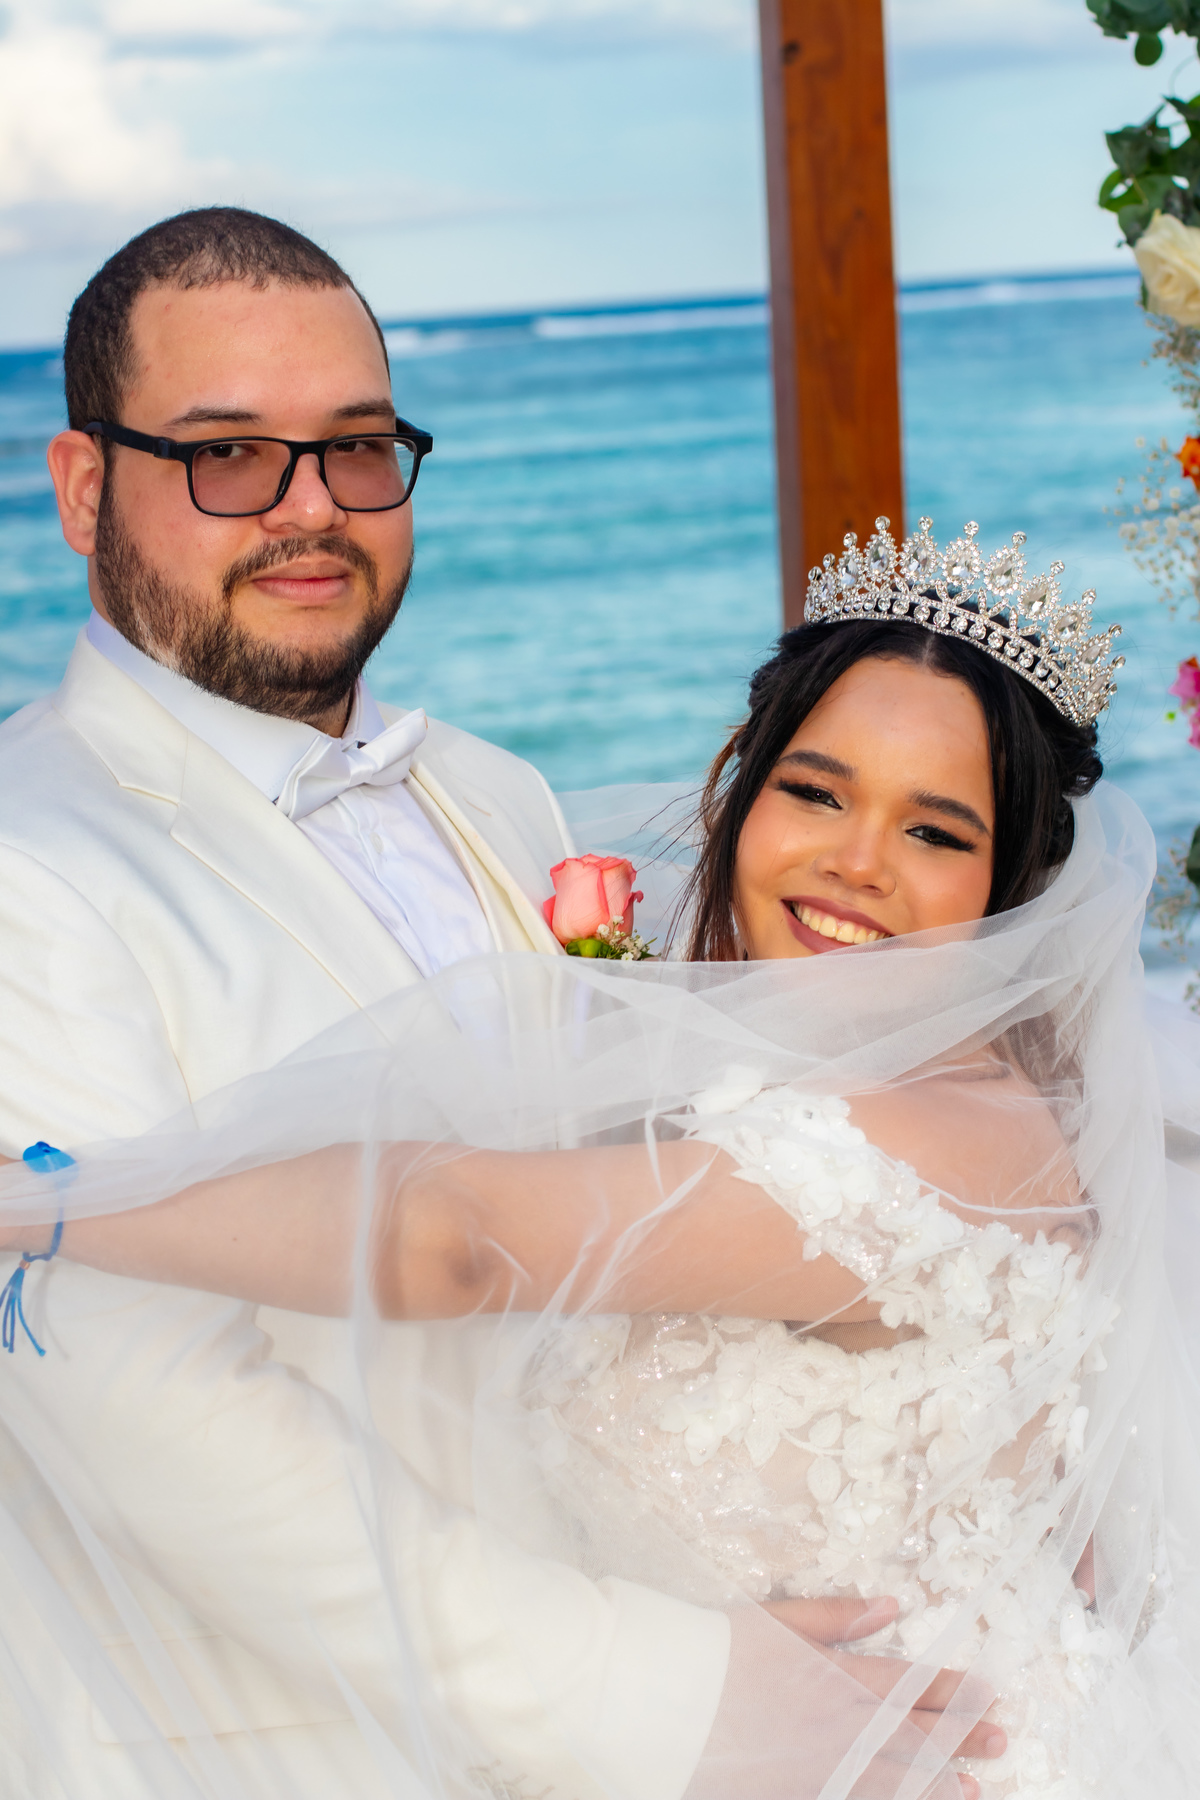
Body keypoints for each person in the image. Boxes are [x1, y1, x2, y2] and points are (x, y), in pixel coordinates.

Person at [0, 207, 999, 1798]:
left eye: (356, 447)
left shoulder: (495, 793)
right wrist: (657, 1694)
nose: (311, 508)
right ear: (80, 487)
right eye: (229, 455)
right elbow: (140, 1404)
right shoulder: (27, 863)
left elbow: (598, 1250)